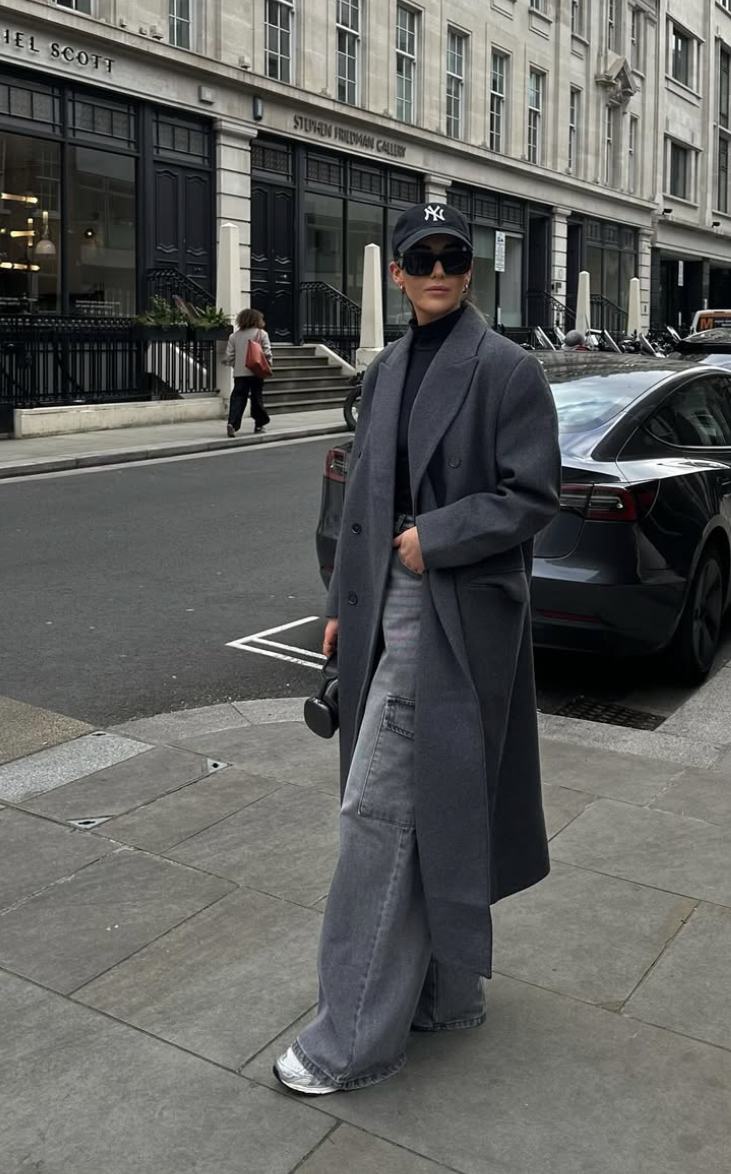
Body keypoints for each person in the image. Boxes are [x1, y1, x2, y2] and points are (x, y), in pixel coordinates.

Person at [273, 202, 561, 1095]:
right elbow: (361, 496)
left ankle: (350, 1039)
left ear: (470, 270)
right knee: (420, 804)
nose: (437, 271)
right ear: (396, 273)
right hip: (381, 608)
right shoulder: (387, 365)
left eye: (453, 258)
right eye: (420, 259)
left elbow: (533, 495)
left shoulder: (510, 370)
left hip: (449, 614)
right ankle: (444, 995)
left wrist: (436, 535)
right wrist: (337, 605)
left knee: (379, 815)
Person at [226, 308, 272, 436]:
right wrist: (268, 365)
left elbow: (230, 356)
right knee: (256, 398)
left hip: (240, 373)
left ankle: (232, 424)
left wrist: (237, 366)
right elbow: (267, 352)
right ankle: (259, 424)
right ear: (257, 320)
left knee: (238, 398)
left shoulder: (234, 336)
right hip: (256, 372)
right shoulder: (261, 334)